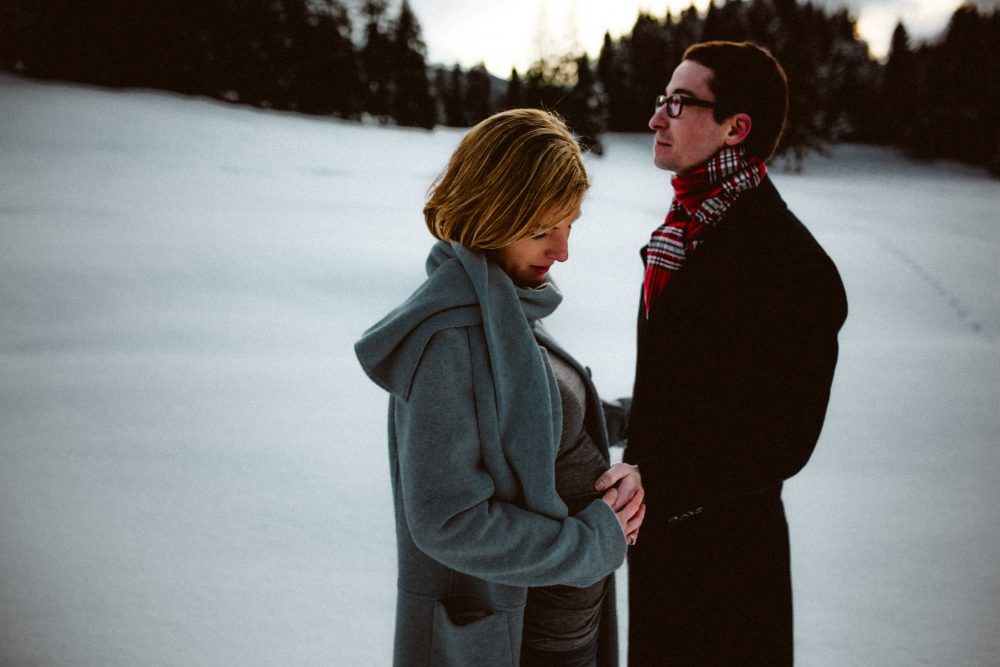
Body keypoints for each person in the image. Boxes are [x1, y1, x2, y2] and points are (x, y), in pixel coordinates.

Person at [355, 108, 645, 667]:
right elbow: (448, 522)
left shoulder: (501, 302)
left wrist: (638, 416)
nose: (562, 252)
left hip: (561, 627)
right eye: (542, 230)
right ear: (490, 214)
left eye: (569, 225)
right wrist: (589, 545)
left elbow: (526, 422)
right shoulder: (450, 339)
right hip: (511, 642)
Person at [622, 41, 848, 665]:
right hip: (660, 549)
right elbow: (699, 389)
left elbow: (781, 439)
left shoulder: (792, 267)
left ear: (734, 128)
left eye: (679, 102)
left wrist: (655, 480)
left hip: (729, 572)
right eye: (661, 99)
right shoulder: (684, 232)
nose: (656, 118)